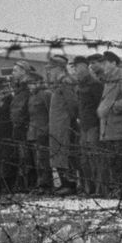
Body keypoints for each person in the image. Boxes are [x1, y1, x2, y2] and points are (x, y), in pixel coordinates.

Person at [97, 51, 122, 197]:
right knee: (113, 161)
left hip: (117, 125)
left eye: (105, 63)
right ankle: (119, 188)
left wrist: (112, 107)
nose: (103, 66)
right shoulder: (108, 80)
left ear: (113, 63)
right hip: (108, 126)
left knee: (119, 161)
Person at [47, 54, 79, 194]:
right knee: (58, 153)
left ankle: (69, 184)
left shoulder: (65, 82)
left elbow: (72, 104)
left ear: (59, 69)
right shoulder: (58, 84)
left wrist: (69, 120)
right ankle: (64, 183)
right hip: (57, 124)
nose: (49, 72)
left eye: (51, 69)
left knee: (63, 153)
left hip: (63, 124)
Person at [73, 56, 105, 195]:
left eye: (78, 67)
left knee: (95, 158)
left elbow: (99, 104)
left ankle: (99, 188)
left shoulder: (95, 84)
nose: (76, 70)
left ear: (85, 67)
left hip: (93, 125)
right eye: (74, 67)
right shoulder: (79, 85)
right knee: (85, 159)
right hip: (84, 125)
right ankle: (89, 187)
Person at [26, 70, 53, 192]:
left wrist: (47, 129)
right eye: (28, 84)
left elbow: (50, 113)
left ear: (38, 82)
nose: (29, 86)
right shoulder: (32, 96)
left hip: (43, 132)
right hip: (33, 133)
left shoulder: (45, 94)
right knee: (37, 161)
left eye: (31, 83)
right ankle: (40, 183)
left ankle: (46, 185)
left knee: (43, 160)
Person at [9, 65, 34, 191]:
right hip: (18, 125)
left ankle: (29, 184)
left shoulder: (26, 87)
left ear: (24, 71)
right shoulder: (18, 87)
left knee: (26, 155)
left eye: (15, 70)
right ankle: (25, 183)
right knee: (22, 155)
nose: (13, 73)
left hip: (24, 126)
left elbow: (24, 107)